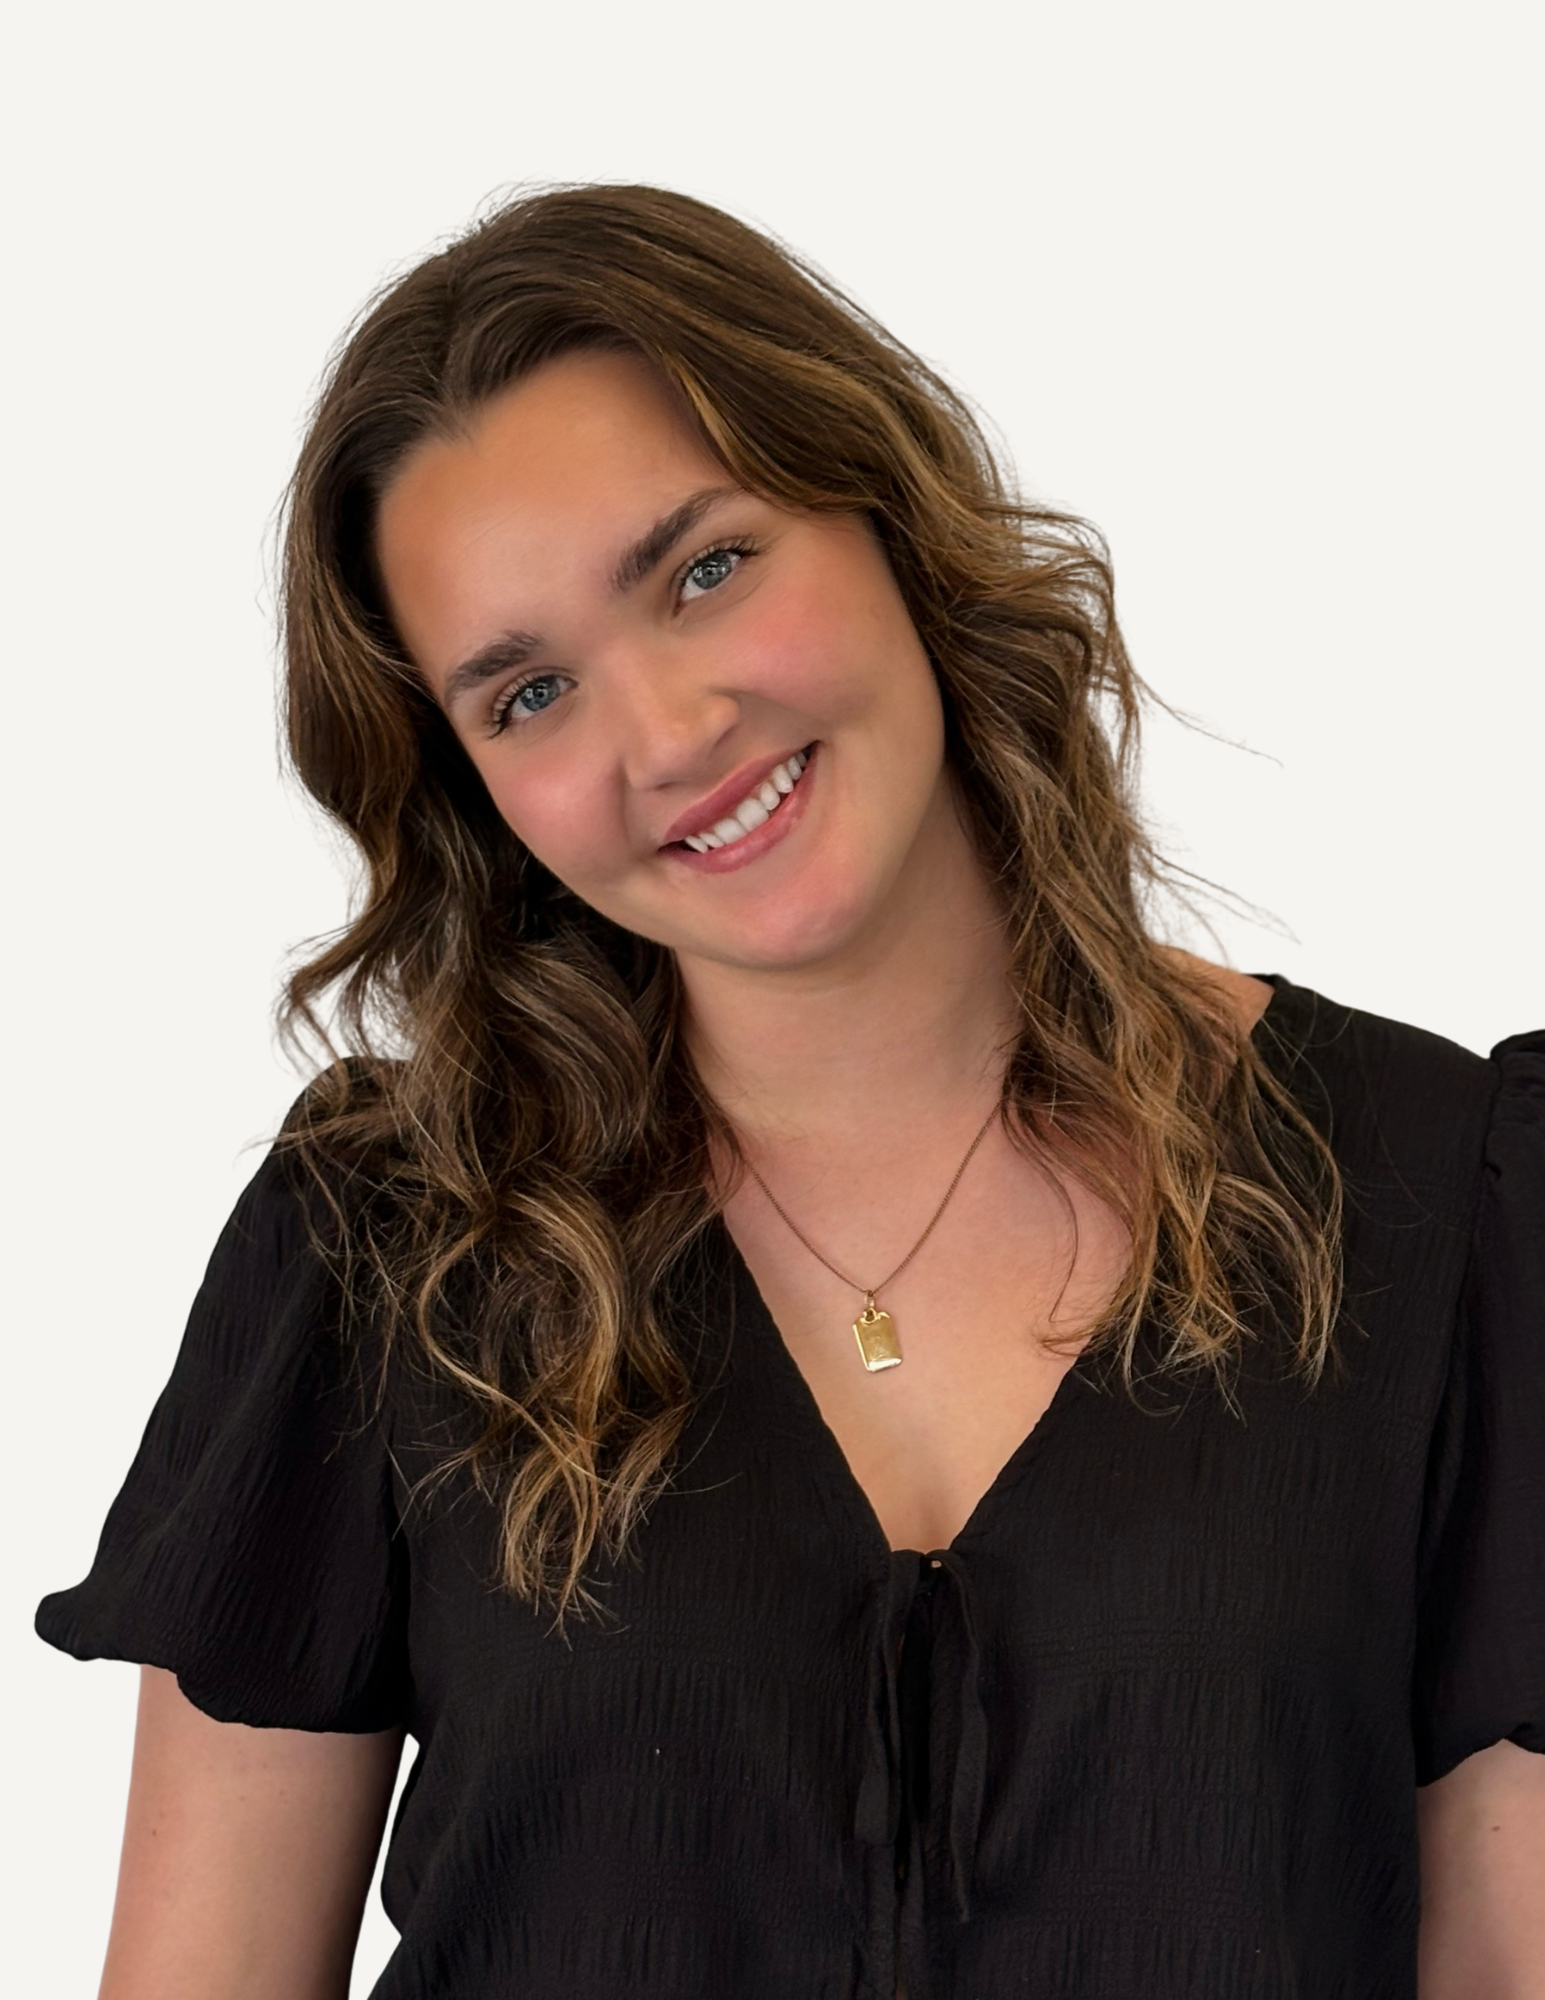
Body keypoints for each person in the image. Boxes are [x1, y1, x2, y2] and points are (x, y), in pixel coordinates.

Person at [36, 184, 1544, 2000]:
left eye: (706, 571)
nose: (669, 736)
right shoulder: (384, 1252)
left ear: (889, 514)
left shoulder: (1442, 1194)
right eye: (528, 694)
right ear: (467, 789)